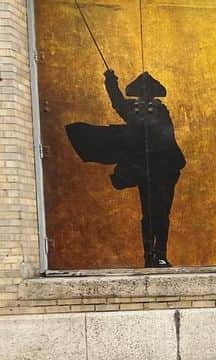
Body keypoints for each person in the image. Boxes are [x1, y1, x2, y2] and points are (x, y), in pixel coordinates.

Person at [66, 70, 186, 267]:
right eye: (143, 90)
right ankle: (149, 255)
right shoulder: (132, 109)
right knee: (149, 213)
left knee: (162, 213)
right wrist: (111, 81)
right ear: (138, 92)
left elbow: (167, 139)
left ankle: (160, 254)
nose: (145, 94)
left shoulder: (161, 111)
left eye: (148, 90)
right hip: (146, 170)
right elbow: (117, 101)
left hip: (163, 170)